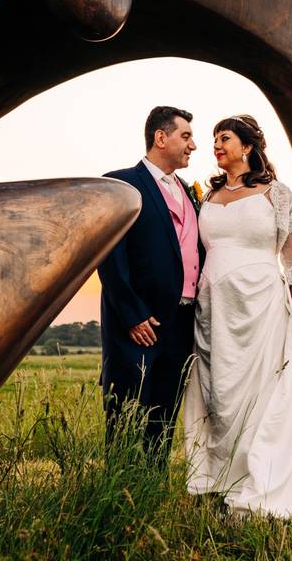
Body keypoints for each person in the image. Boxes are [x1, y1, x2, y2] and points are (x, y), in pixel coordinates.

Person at [183, 114, 292, 518]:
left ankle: (261, 479)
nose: (216, 145)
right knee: (219, 395)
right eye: (213, 139)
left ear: (246, 146)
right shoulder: (206, 198)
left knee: (261, 393)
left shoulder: (276, 194)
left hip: (261, 306)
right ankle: (220, 476)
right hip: (214, 310)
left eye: (223, 138)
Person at [96, 106, 204, 463]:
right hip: (138, 326)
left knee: (163, 421)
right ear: (161, 137)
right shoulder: (121, 183)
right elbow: (110, 257)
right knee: (126, 416)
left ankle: (150, 492)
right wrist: (132, 315)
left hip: (181, 323)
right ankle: (118, 493)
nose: (193, 145)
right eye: (185, 136)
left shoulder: (189, 192)